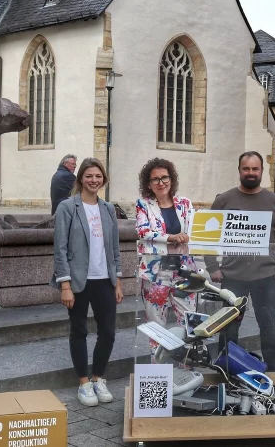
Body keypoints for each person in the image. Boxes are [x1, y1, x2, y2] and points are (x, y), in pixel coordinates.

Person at [205, 151, 275, 372]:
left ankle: (272, 373)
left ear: (262, 171)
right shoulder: (224, 200)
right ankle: (227, 372)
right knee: (228, 328)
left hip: (266, 276)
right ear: (239, 170)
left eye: (255, 169)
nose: (251, 173)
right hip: (233, 276)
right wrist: (212, 266)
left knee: (268, 326)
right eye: (246, 168)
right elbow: (208, 235)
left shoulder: (274, 201)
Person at [51, 157, 124, 407]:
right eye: (89, 176)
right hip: (78, 281)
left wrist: (118, 281)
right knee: (79, 331)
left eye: (98, 176)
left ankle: (98, 378)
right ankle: (83, 383)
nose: (94, 180)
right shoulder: (68, 207)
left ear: (103, 179)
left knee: (108, 333)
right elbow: (60, 248)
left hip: (105, 279)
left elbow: (114, 248)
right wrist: (65, 286)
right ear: (81, 178)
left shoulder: (108, 209)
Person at [134, 158, 196, 354]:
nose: (161, 183)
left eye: (164, 178)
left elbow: (194, 231)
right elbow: (142, 232)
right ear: (149, 184)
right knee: (156, 326)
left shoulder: (184, 204)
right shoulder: (144, 204)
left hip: (184, 272)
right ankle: (158, 373)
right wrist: (170, 237)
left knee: (189, 322)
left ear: (171, 179)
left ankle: (185, 371)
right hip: (156, 274)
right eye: (155, 180)